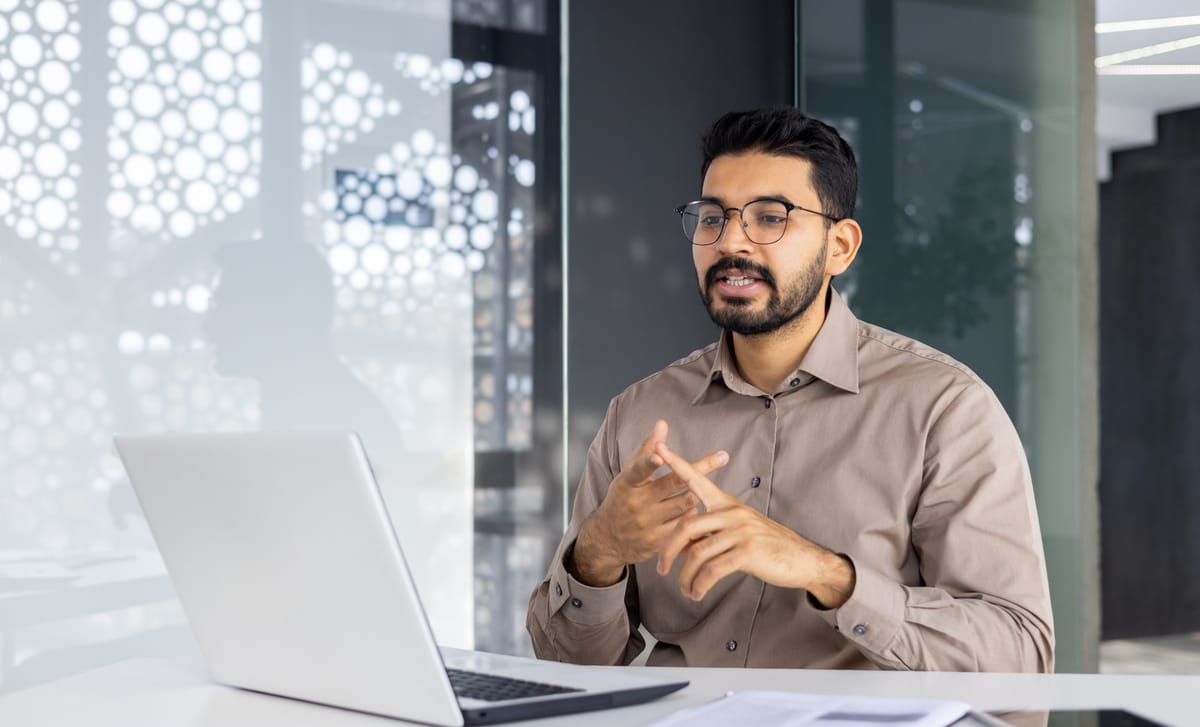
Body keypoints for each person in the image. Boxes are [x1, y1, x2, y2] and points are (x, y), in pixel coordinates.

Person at [526, 106, 1054, 672]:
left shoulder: (945, 410)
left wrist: (825, 573)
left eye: (770, 217)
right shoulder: (640, 414)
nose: (732, 242)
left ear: (840, 247)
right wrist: (597, 553)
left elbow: (1019, 653)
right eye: (712, 217)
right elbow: (567, 670)